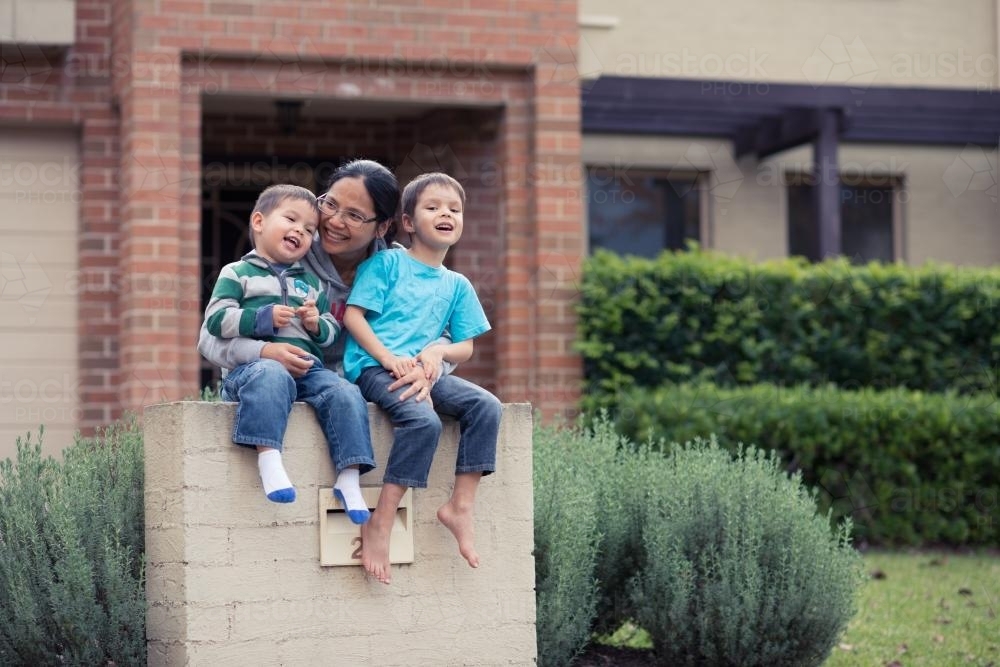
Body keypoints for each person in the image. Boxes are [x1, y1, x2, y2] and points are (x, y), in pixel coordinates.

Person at [197, 161, 442, 520]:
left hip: (352, 390)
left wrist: (433, 360)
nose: (333, 221)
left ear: (383, 227)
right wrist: (265, 351)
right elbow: (210, 336)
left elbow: (441, 325)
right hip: (276, 380)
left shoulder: (397, 270)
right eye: (330, 204)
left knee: (432, 415)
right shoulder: (284, 256)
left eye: (355, 215)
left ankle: (366, 496)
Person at [343, 172, 502, 585]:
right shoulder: (387, 264)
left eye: (454, 209)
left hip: (423, 373)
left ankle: (460, 507)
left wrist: (436, 351)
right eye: (433, 207)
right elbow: (353, 316)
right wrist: (388, 359)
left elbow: (464, 347)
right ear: (409, 222)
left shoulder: (457, 284)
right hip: (376, 367)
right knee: (422, 420)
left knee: (485, 406)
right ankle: (382, 520)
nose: (445, 214)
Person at [201, 183, 372, 521]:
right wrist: (261, 319)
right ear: (259, 222)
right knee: (272, 375)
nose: (300, 231)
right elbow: (217, 319)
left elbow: (330, 331)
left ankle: (349, 476)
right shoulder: (237, 273)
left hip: (308, 369)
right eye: (291, 219)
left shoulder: (311, 283)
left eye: (309, 230)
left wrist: (314, 323)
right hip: (252, 370)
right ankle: (269, 457)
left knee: (345, 391)